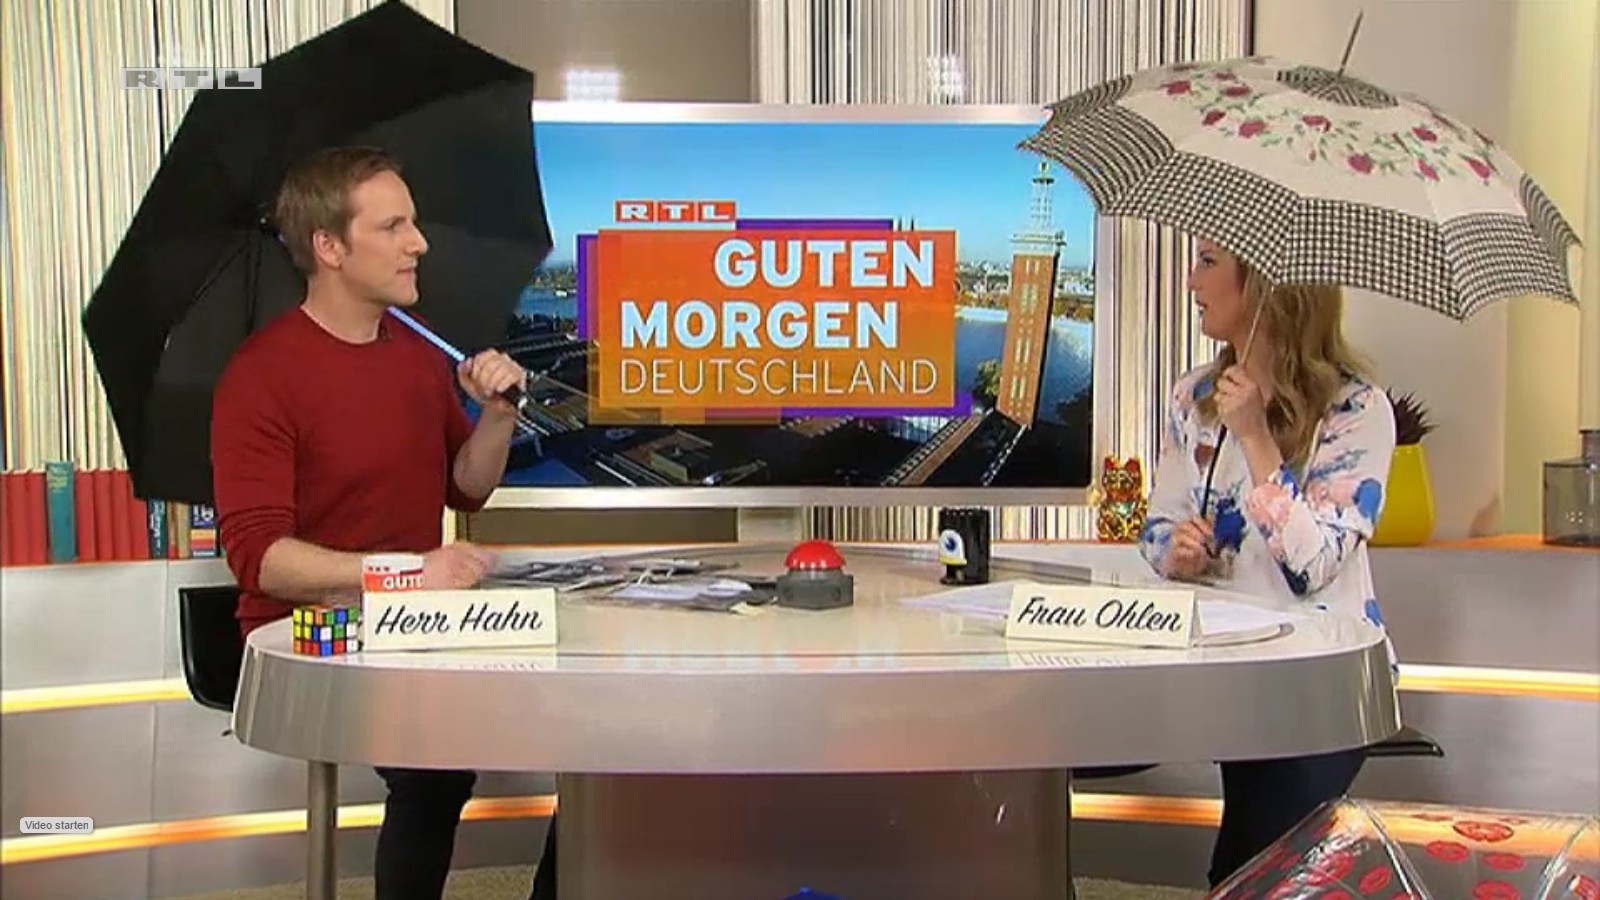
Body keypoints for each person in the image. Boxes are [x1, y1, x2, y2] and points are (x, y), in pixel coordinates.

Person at [211, 145, 557, 900]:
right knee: (436, 768)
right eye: (393, 227)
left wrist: (498, 416)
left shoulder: (416, 351)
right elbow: (260, 560)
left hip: (408, 618)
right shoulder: (260, 376)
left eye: (415, 223)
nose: (418, 244)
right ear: (330, 247)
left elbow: (466, 490)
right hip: (304, 630)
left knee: (571, 710)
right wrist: (410, 574)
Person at [1137, 238, 1397, 888]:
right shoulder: (1194, 397)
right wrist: (1178, 550)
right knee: (1243, 866)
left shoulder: (1358, 412)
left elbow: (1313, 564)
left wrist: (1256, 437)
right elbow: (1157, 525)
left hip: (1321, 685)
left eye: (1208, 262)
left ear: (1265, 285)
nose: (1191, 280)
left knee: (1260, 867)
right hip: (1228, 670)